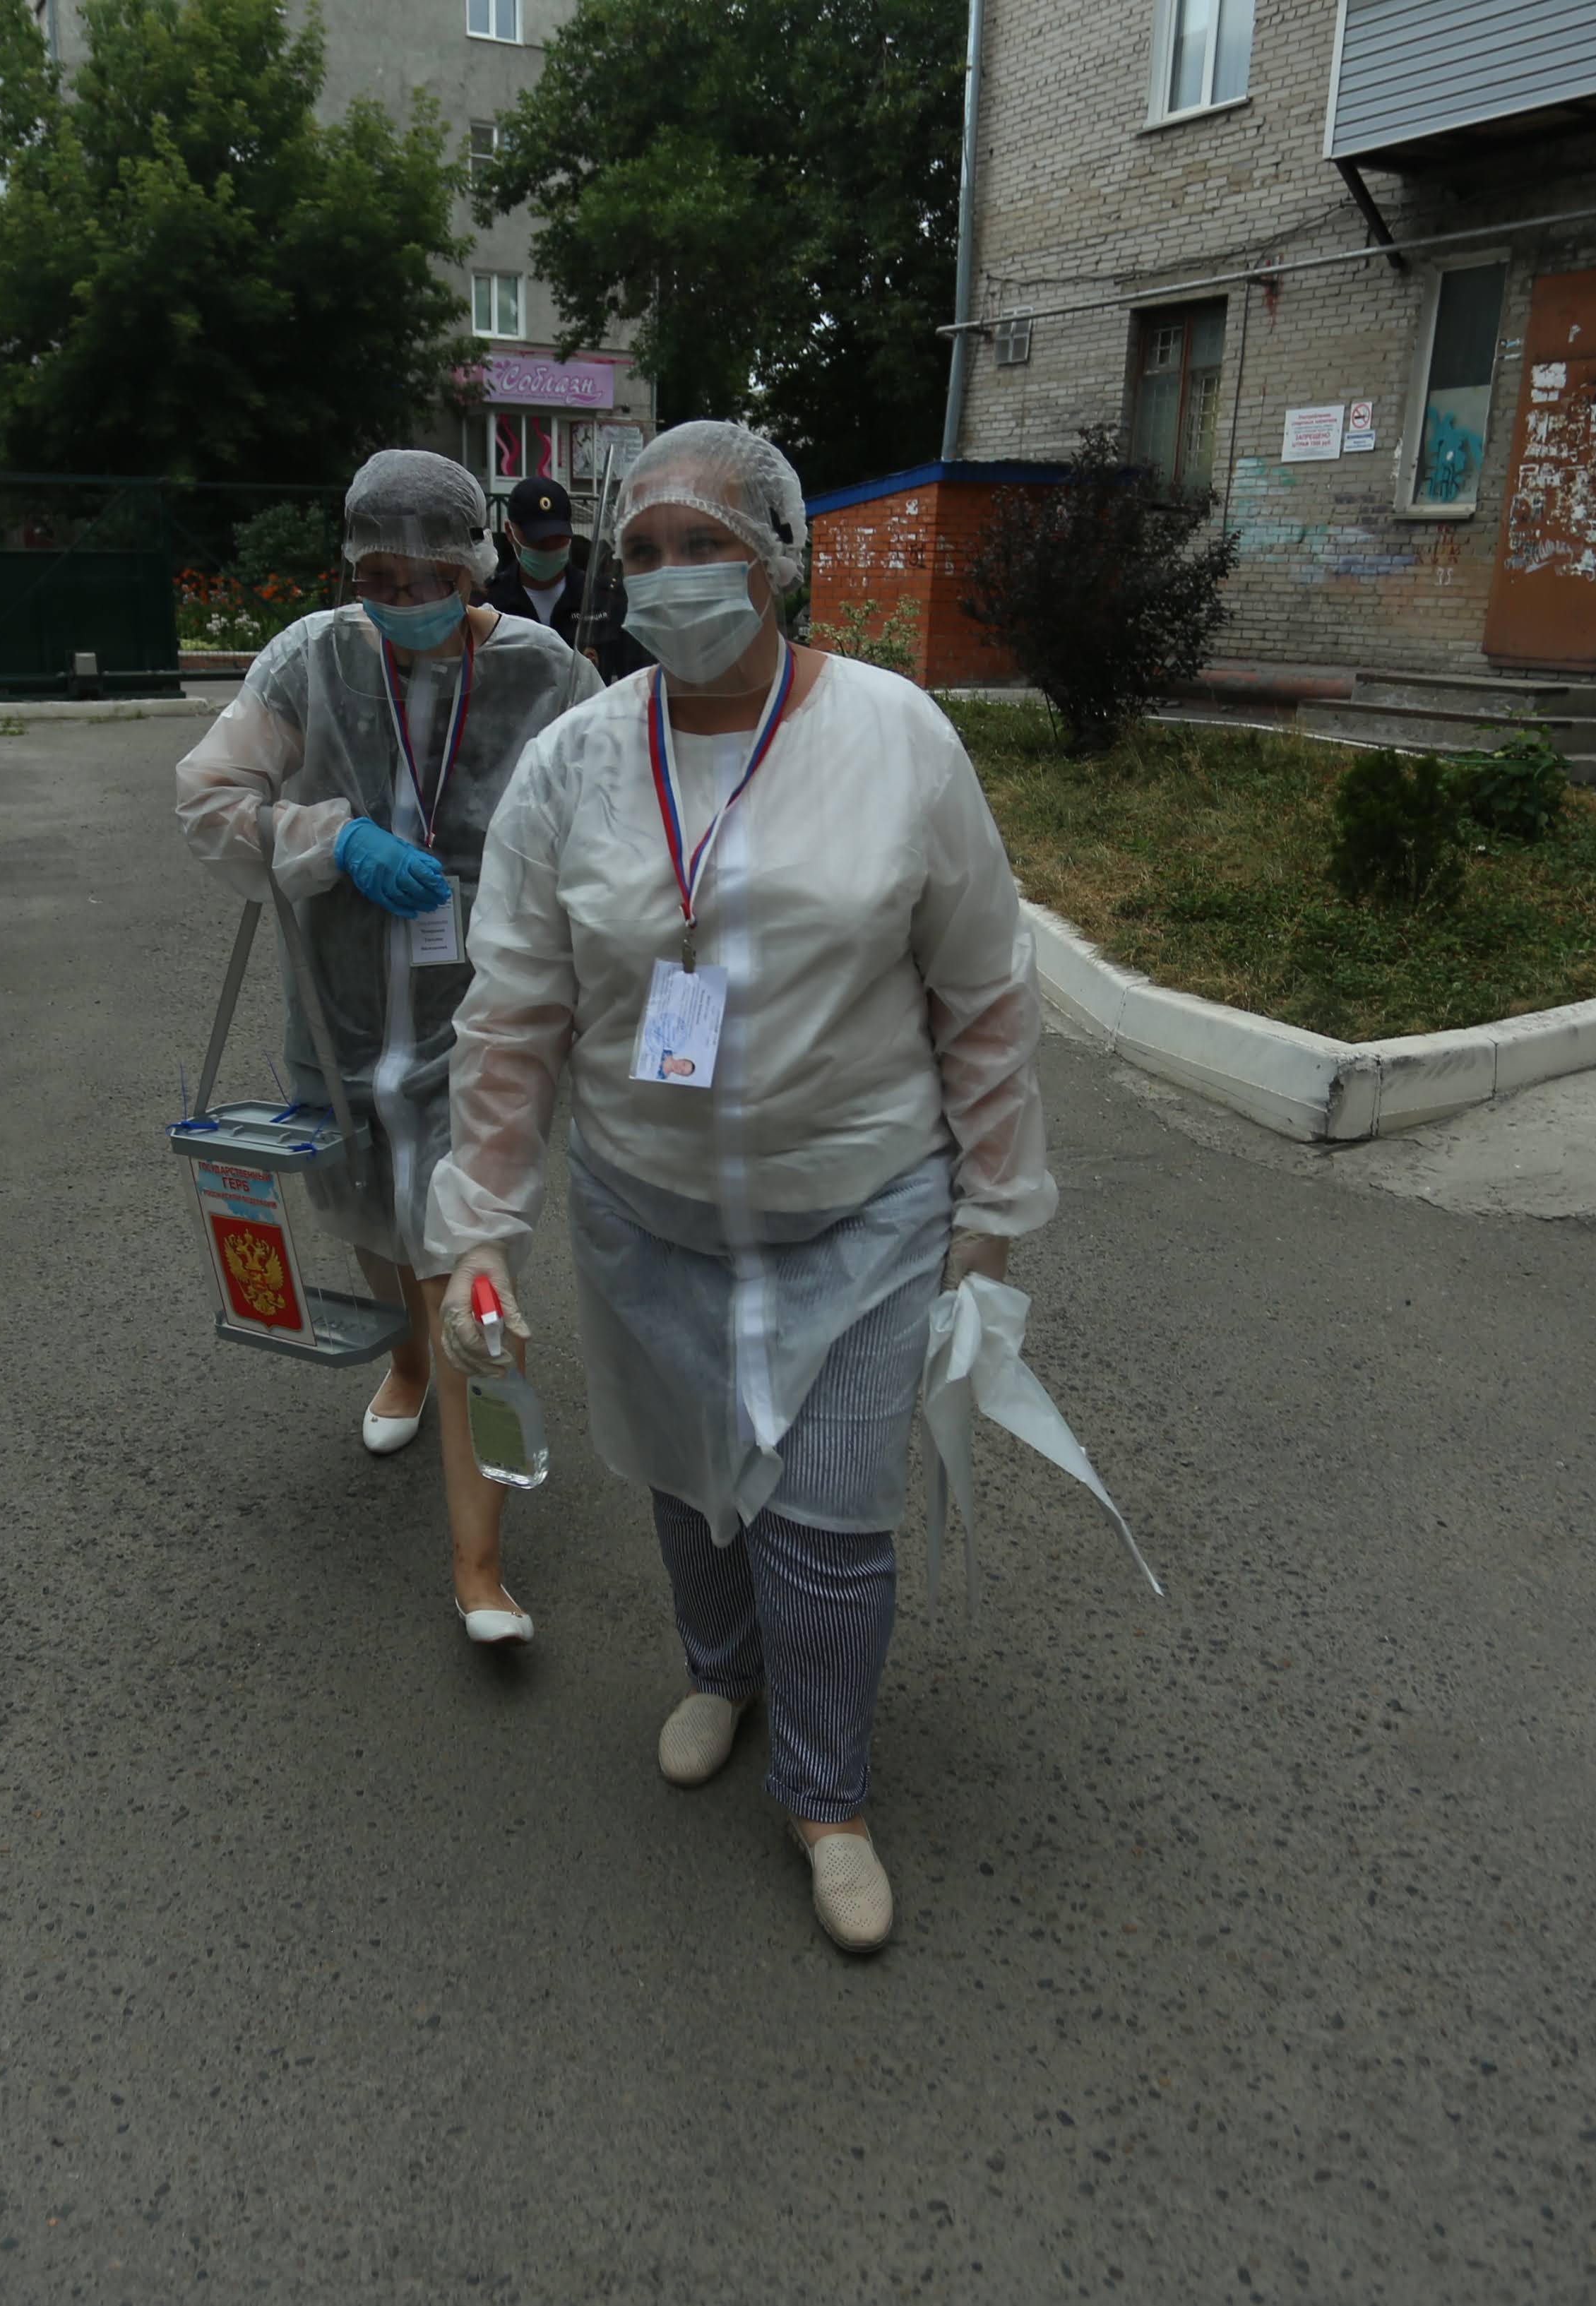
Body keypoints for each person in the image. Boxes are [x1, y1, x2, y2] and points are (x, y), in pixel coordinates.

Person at [423, 421, 1054, 1951]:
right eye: (642, 551)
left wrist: (992, 1209)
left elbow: (982, 989)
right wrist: (479, 1227)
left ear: (777, 557)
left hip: (861, 1212)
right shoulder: (577, 761)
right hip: (643, 1210)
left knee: (828, 1525)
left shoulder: (896, 736)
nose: (670, 576)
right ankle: (720, 1672)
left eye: (703, 545)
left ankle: (826, 1793)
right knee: (688, 1484)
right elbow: (513, 1013)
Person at [174, 449, 602, 1645]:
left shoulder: (547, 673)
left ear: (474, 566)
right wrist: (332, 839)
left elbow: (610, 829)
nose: (401, 595)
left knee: (468, 1272)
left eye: (427, 576)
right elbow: (208, 797)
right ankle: (406, 1364)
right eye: (376, 574)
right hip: (340, 1012)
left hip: (489, 1025)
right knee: (367, 1216)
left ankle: (479, 1566)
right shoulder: (308, 658)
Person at [480, 475, 648, 679]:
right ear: (510, 532)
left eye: (558, 539)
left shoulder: (603, 600)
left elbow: (637, 679)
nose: (550, 548)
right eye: (539, 541)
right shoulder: (491, 604)